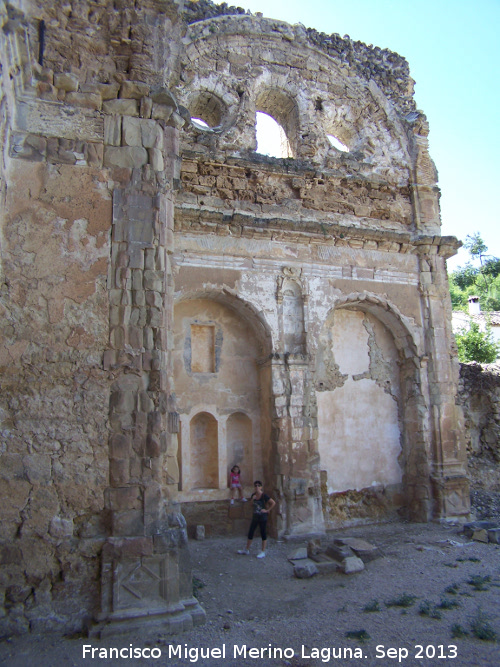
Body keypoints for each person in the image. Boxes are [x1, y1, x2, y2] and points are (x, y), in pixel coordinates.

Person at [237, 481, 275, 558]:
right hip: (255, 516)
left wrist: (267, 510)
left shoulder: (264, 496)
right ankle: (246, 549)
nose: (257, 487)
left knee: (263, 533)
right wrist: (252, 499)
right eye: (255, 485)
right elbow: (251, 505)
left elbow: (273, 502)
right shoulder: (253, 495)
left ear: (261, 487)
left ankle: (263, 551)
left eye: (258, 485)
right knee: (251, 532)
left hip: (262, 517)